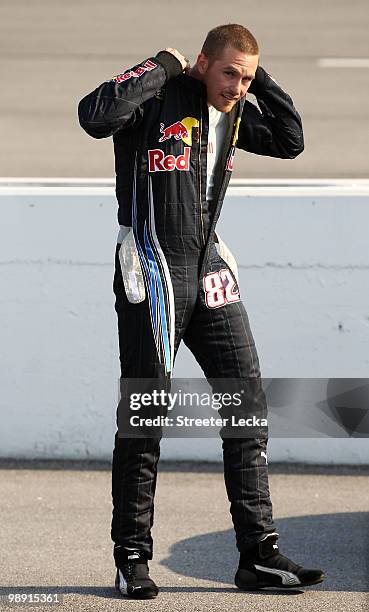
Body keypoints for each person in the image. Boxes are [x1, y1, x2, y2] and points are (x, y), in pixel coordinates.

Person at [78, 23, 325, 599]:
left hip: (209, 264)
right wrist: (162, 63)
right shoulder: (160, 97)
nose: (236, 86)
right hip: (151, 264)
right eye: (228, 73)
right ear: (201, 64)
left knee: (248, 402)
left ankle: (258, 554)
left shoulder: (235, 110)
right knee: (147, 413)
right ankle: (132, 556)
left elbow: (291, 139)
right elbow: (94, 114)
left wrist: (256, 75)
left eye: (246, 76)